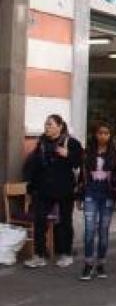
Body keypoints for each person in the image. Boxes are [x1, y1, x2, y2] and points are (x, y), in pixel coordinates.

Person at [22, 114, 83, 269]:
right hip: (43, 189)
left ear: (60, 126)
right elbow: (34, 166)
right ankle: (39, 255)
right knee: (40, 221)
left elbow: (80, 163)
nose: (47, 127)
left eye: (50, 124)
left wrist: (68, 154)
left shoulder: (72, 142)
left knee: (64, 222)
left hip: (64, 189)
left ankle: (65, 254)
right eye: (46, 124)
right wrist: (31, 186)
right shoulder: (41, 143)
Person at [77, 122, 116, 280]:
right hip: (90, 193)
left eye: (106, 133)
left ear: (110, 136)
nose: (103, 136)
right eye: (100, 133)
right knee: (89, 230)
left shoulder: (115, 153)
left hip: (108, 194)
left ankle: (101, 264)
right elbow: (81, 176)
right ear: (95, 134)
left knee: (103, 231)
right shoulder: (87, 153)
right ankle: (88, 264)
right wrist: (79, 196)